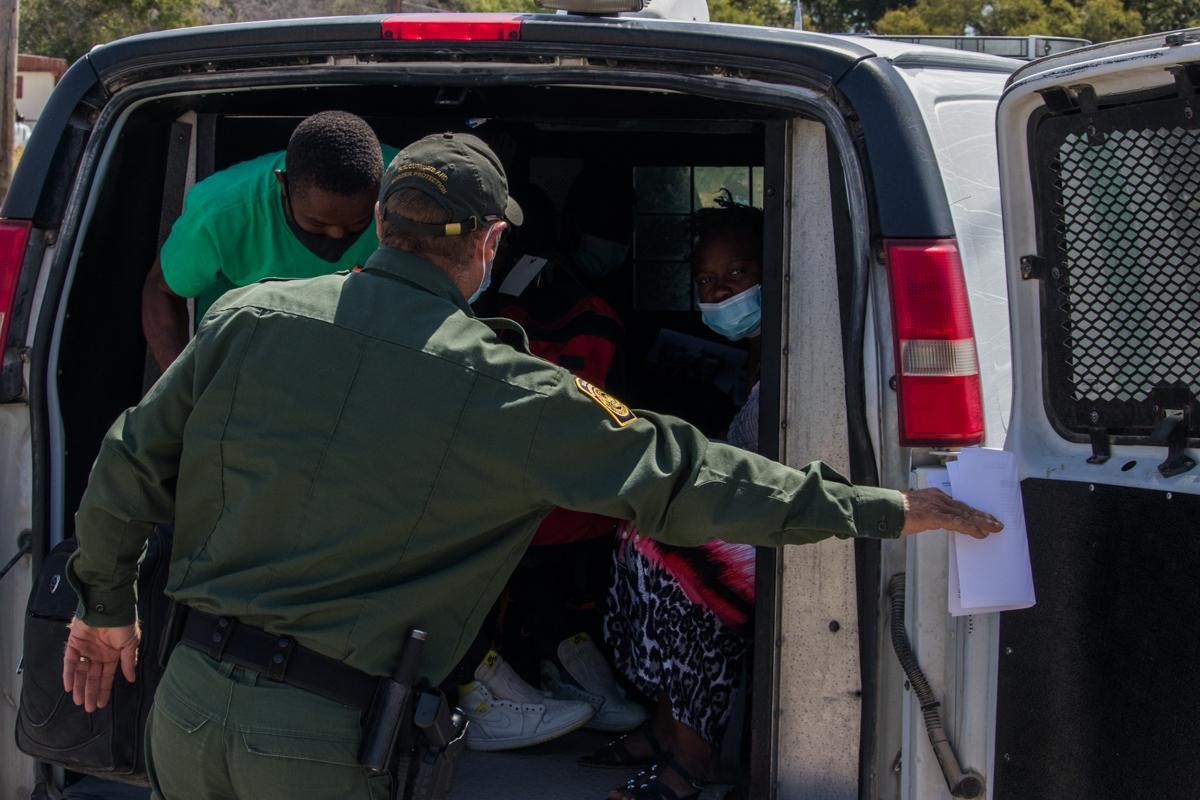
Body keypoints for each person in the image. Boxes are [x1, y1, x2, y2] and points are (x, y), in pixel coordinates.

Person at [61, 132, 1001, 800]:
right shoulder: (511, 387)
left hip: (184, 711)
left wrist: (103, 607)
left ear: (381, 222)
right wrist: (887, 507)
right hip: (318, 741)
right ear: (487, 242)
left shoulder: (249, 317)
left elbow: (126, 463)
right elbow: (690, 478)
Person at [584, 201, 767, 800]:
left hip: (798, 527)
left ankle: (695, 754)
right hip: (759, 515)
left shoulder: (803, 351)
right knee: (640, 525)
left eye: (737, 276)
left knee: (679, 552)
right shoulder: (761, 353)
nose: (720, 293)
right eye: (707, 282)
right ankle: (666, 721)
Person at [141, 110, 399, 370]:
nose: (337, 235)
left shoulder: (406, 191)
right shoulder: (220, 213)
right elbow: (162, 290)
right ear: (283, 185)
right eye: (317, 224)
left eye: (357, 223)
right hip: (246, 350)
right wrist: (182, 385)